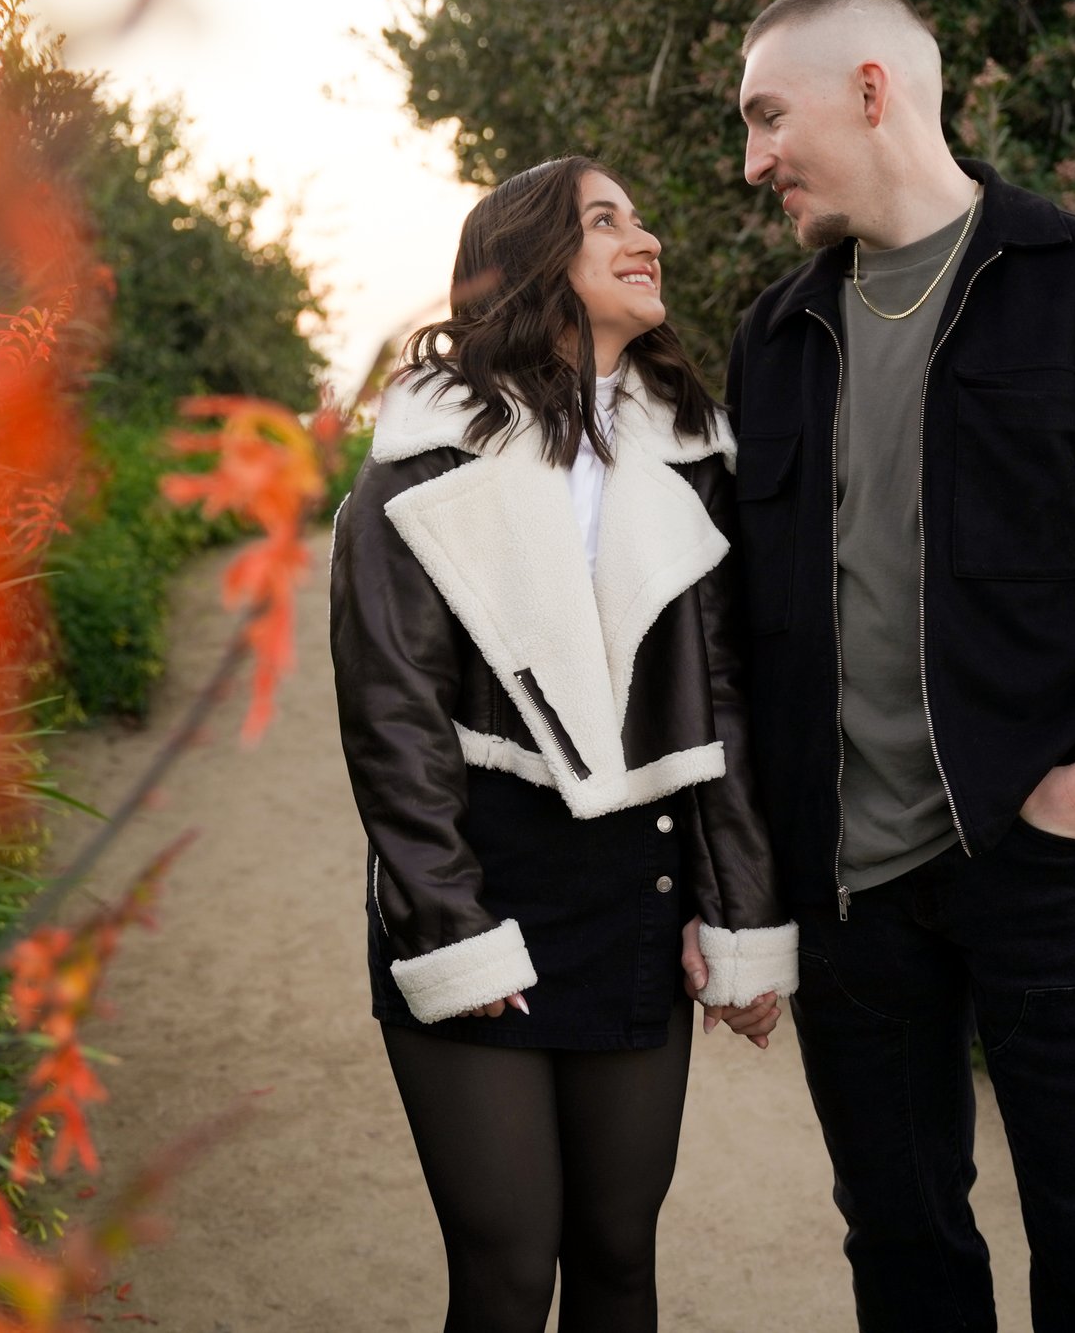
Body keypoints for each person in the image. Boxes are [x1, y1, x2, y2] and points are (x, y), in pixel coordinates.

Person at [724, 0, 1075, 1332]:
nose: (752, 163)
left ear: (871, 91)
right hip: (850, 889)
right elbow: (744, 624)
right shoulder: (777, 336)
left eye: (764, 117)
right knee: (905, 1250)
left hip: (1059, 871)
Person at [329, 155, 796, 1333]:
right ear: (538, 258)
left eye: (641, 215)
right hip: (477, 887)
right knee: (504, 1263)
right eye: (605, 220)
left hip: (633, 888)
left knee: (616, 1253)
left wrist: (734, 903)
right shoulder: (415, 468)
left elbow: (723, 700)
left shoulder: (694, 455)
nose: (644, 237)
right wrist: (449, 919)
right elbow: (393, 716)